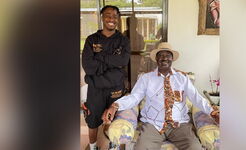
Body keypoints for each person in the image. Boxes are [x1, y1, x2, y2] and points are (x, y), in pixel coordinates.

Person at [102, 42, 219, 149]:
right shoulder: (146, 78)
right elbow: (134, 97)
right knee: (141, 148)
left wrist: (213, 112)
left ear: (172, 58)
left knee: (195, 148)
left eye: (167, 55)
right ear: (156, 59)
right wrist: (116, 105)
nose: (164, 58)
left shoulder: (182, 78)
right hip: (153, 124)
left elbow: (196, 98)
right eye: (160, 55)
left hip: (179, 124)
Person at [81, 5, 130, 150]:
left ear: (118, 19)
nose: (111, 19)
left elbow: (122, 61)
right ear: (102, 17)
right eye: (108, 15)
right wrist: (111, 63)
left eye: (115, 16)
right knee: (93, 120)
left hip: (116, 87)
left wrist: (99, 57)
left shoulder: (123, 40)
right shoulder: (91, 39)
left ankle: (114, 146)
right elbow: (88, 66)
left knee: (115, 119)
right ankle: (93, 146)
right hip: (95, 88)